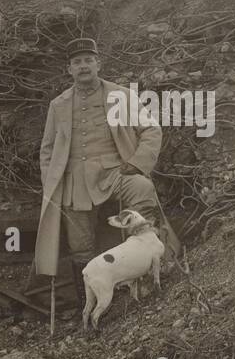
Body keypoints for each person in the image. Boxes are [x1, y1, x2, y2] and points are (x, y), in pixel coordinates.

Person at [32, 37, 181, 305]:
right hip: (74, 182)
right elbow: (47, 149)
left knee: (142, 187)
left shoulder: (121, 95)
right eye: (77, 62)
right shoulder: (59, 105)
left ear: (98, 63)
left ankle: (154, 269)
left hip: (116, 173)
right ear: (69, 69)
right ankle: (86, 302)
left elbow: (150, 129)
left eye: (88, 60)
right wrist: (52, 182)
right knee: (80, 245)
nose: (83, 66)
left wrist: (136, 164)